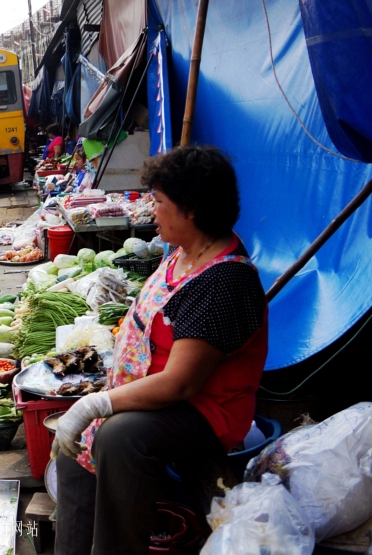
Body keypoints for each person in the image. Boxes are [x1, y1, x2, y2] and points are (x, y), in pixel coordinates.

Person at [52, 145, 268, 555]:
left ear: (191, 209)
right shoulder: (182, 255)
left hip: (204, 410)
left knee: (117, 438)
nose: (152, 210)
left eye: (159, 201)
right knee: (70, 448)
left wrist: (96, 405)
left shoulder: (224, 281)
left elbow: (181, 384)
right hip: (154, 389)